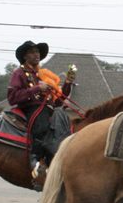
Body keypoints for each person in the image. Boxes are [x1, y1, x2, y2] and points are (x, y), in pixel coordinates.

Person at [7, 40, 75, 179]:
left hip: (49, 108)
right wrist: (37, 88)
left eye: (37, 52)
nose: (36, 54)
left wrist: (67, 84)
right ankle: (36, 160)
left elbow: (57, 101)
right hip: (31, 107)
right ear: (25, 56)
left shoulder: (45, 74)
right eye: (32, 52)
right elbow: (12, 97)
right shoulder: (19, 73)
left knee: (66, 126)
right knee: (42, 127)